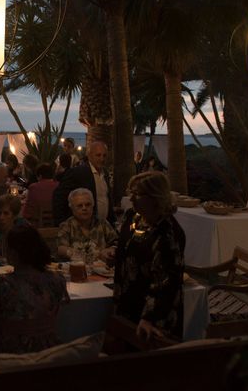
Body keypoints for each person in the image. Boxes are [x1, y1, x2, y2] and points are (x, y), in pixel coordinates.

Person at [114, 171, 185, 340]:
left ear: (155, 197)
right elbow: (126, 246)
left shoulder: (167, 233)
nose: (131, 198)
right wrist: (116, 254)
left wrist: (149, 318)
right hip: (128, 301)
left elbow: (167, 280)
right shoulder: (134, 217)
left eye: (137, 194)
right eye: (130, 192)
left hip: (152, 315)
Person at [0, 224, 70, 353]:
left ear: (13, 253)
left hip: (11, 353)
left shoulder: (0, 285)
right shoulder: (57, 280)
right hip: (48, 350)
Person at [52, 141, 116, 227]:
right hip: (83, 227)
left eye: (104, 155)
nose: (102, 159)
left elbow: (105, 197)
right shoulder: (78, 173)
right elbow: (59, 196)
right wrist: (62, 223)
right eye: (98, 155)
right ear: (89, 156)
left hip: (103, 227)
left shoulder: (105, 173)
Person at [57, 188, 118, 262]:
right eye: (80, 206)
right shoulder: (66, 225)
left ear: (93, 206)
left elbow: (116, 242)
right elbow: (60, 248)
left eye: (88, 204)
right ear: (72, 208)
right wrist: (75, 254)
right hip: (76, 268)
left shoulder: (102, 223)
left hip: (101, 269)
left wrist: (110, 250)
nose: (84, 208)